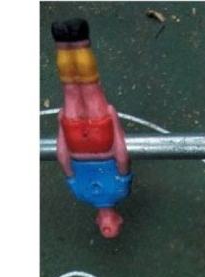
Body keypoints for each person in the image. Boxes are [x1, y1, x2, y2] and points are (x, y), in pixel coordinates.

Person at [52, 18, 132, 238]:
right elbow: (62, 158)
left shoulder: (120, 191)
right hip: (78, 143)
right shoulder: (81, 194)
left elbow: (122, 157)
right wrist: (62, 126)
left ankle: (78, 39)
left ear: (118, 219)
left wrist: (114, 121)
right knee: (71, 88)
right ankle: (63, 41)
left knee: (89, 87)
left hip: (101, 141)